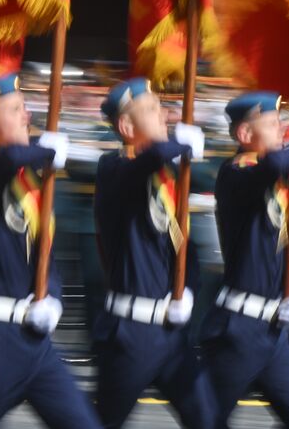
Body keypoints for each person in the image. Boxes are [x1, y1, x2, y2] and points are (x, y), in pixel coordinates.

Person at [0, 73, 97, 429]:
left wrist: (55, 298)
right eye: (15, 108)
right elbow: (7, 158)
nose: (27, 115)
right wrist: (48, 150)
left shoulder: (30, 177)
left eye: (25, 107)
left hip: (35, 341)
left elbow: (43, 250)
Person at [91, 77, 215, 429]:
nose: (164, 115)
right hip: (131, 332)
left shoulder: (168, 173)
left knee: (206, 419)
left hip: (172, 334)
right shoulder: (114, 168)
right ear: (127, 127)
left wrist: (188, 289)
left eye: (161, 107)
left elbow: (182, 243)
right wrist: (178, 142)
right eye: (151, 109)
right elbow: (147, 160)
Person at [202, 91, 289, 429]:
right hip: (239, 330)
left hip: (274, 332)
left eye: (281, 124)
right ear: (245, 135)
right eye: (272, 124)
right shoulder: (237, 173)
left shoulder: (281, 182)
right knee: (209, 419)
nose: (282, 131)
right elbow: (274, 164)